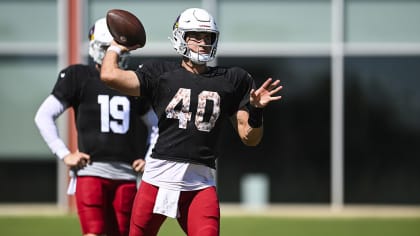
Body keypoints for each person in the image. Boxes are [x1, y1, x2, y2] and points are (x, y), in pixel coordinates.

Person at [100, 8, 283, 236]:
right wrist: (116, 46)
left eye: (208, 37)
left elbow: (250, 137)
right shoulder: (160, 72)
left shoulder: (231, 79)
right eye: (196, 36)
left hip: (199, 183)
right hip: (157, 179)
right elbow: (109, 76)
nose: (203, 42)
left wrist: (255, 110)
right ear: (181, 37)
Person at [34, 17, 158, 236]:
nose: (116, 53)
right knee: (94, 232)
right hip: (91, 171)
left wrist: (149, 157)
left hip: (126, 175)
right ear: (96, 47)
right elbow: (44, 116)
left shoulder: (131, 82)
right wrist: (64, 154)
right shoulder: (79, 76)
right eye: (109, 48)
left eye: (118, 49)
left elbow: (156, 126)